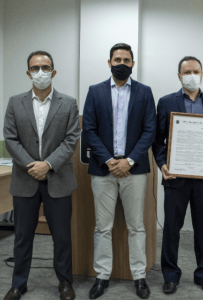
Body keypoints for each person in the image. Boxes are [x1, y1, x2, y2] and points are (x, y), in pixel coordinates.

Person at [3, 50, 80, 300]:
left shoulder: (68, 103)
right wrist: (31, 165)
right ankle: (19, 283)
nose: (40, 72)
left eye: (45, 68)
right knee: (23, 236)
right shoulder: (15, 102)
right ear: (28, 73)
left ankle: (65, 282)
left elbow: (71, 141)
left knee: (62, 237)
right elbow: (11, 139)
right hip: (25, 180)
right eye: (35, 68)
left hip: (58, 179)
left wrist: (47, 164)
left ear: (53, 72)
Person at [82, 43, 156, 299]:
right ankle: (101, 277)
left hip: (134, 171)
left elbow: (150, 130)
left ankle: (139, 277)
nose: (121, 63)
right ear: (109, 62)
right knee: (103, 227)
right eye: (117, 59)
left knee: (137, 226)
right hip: (103, 171)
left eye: (126, 59)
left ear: (133, 63)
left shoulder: (145, 92)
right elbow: (88, 130)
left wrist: (130, 161)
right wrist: (109, 160)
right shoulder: (95, 92)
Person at [152, 56, 203, 294]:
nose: (191, 75)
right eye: (187, 72)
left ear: (201, 74)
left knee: (202, 228)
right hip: (175, 178)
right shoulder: (165, 102)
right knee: (172, 228)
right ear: (179, 76)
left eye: (196, 71)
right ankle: (170, 275)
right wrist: (162, 163)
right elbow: (157, 139)